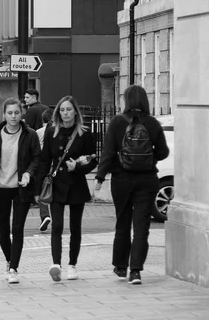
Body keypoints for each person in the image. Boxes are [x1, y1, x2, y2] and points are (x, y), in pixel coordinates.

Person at [95, 85, 169, 285]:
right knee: (141, 226)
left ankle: (120, 266)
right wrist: (149, 156)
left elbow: (108, 152)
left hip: (121, 180)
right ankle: (135, 271)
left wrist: (100, 177)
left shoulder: (118, 122)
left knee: (123, 223)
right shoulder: (152, 123)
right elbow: (164, 152)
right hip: (147, 180)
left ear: (126, 100)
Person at [35, 95, 98, 282]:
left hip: (76, 184)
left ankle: (72, 265)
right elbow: (45, 160)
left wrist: (77, 167)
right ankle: (56, 264)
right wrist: (38, 189)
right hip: (56, 184)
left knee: (75, 227)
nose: (65, 113)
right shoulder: (51, 131)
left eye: (69, 109)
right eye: (62, 110)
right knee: (57, 226)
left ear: (75, 111)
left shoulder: (84, 133)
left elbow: (93, 160)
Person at [0, 97, 41, 284]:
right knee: (3, 230)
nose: (13, 116)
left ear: (21, 113)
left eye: (16, 112)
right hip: (0, 188)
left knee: (17, 229)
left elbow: (36, 158)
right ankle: (9, 260)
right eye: (10, 113)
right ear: (4, 114)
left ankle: (14, 268)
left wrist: (28, 174)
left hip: (20, 188)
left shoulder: (29, 134)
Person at [35, 107, 54, 231]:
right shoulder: (57, 131)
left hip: (44, 165)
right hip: (56, 164)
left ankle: (45, 215)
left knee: (43, 190)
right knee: (54, 190)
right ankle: (55, 216)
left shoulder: (39, 132)